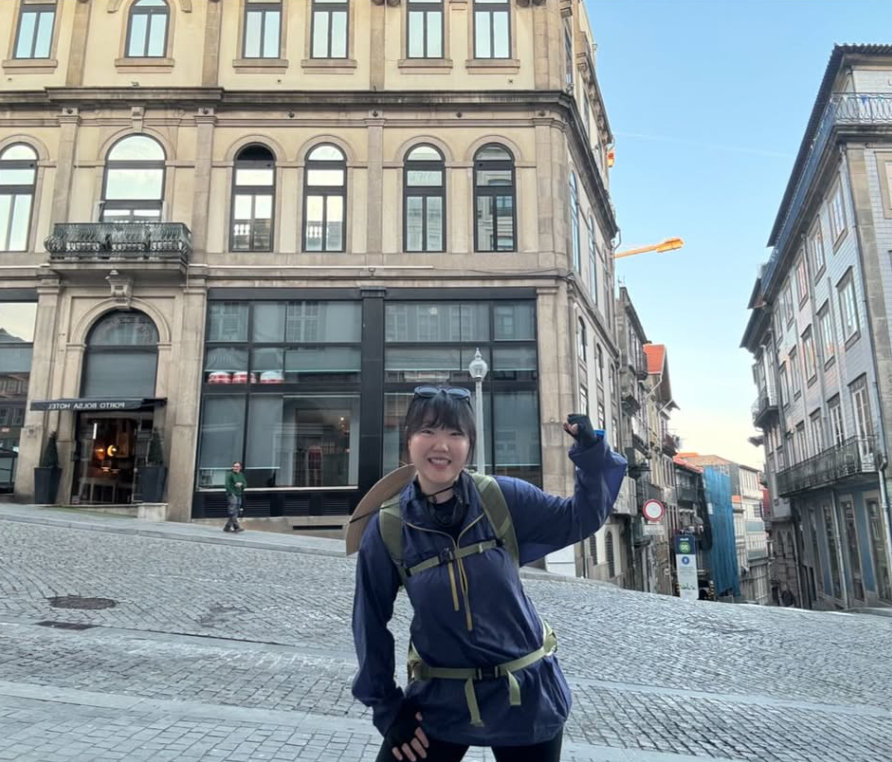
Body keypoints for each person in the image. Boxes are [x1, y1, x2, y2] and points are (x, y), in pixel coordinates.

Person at [351, 386, 627, 762]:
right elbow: (368, 621)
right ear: (409, 439)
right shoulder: (389, 526)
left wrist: (592, 455)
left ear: (470, 444)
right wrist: (388, 709)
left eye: (455, 433)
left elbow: (578, 518)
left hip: (525, 695)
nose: (441, 445)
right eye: (428, 431)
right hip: (440, 699)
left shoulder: (502, 498)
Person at [224, 461, 247, 533]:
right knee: (232, 510)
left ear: (240, 467)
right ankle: (236, 527)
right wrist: (231, 492)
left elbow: (245, 484)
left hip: (239, 494)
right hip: (232, 494)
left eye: (237, 466)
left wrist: (241, 484)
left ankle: (227, 527)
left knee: (236, 510)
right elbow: (227, 485)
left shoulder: (241, 475)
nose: (235, 468)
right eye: (234, 466)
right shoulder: (230, 474)